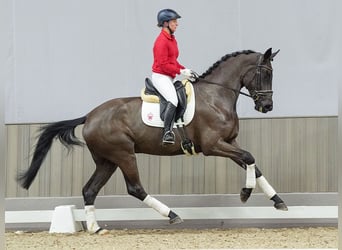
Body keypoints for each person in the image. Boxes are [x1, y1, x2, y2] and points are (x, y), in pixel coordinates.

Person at [152, 9, 194, 145]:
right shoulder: (161, 42)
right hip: (161, 77)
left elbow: (173, 61)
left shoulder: (172, 39)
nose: (177, 24)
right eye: (174, 21)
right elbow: (163, 65)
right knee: (173, 100)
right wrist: (181, 72)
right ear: (165, 23)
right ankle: (167, 132)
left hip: (170, 76)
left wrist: (185, 70)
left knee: (183, 96)